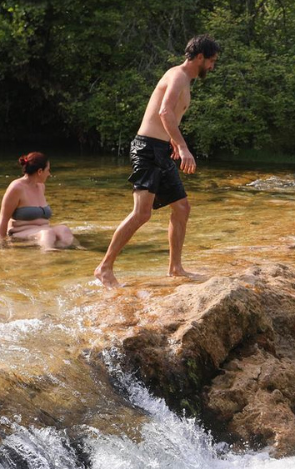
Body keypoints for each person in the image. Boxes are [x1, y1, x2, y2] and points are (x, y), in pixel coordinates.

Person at [94, 34, 221, 287]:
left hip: (161, 149)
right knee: (142, 214)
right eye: (211, 61)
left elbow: (168, 116)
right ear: (199, 57)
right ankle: (104, 268)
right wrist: (183, 146)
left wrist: (172, 142)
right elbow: (164, 111)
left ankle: (175, 268)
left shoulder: (185, 79)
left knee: (182, 207)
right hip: (148, 150)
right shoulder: (177, 76)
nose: (212, 67)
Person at [0, 152, 76, 250]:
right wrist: (1, 244)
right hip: (20, 232)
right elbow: (3, 219)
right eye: (48, 170)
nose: (49, 174)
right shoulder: (16, 188)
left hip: (44, 230)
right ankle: (48, 251)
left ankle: (75, 251)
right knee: (47, 233)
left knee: (64, 230)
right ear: (40, 171)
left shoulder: (41, 187)